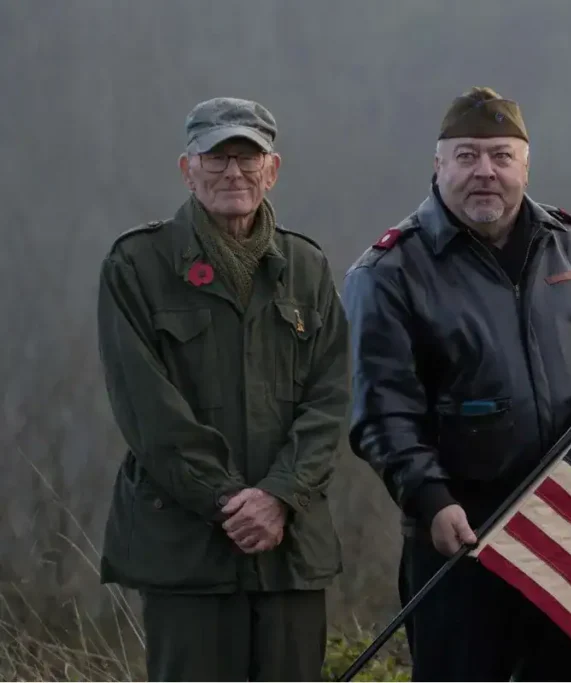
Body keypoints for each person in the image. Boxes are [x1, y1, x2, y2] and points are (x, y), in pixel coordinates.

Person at [342, 86, 571, 681]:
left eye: (500, 155)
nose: (484, 172)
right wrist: (430, 499)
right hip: (461, 531)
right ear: (438, 165)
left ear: (525, 164)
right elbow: (382, 412)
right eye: (466, 156)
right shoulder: (387, 273)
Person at [95, 97, 349, 681]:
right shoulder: (137, 264)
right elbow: (147, 409)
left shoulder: (307, 267)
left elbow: (330, 398)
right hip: (187, 553)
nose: (233, 172)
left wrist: (280, 495)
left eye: (247, 156)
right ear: (188, 169)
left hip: (290, 553)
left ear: (272, 168)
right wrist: (231, 503)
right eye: (216, 157)